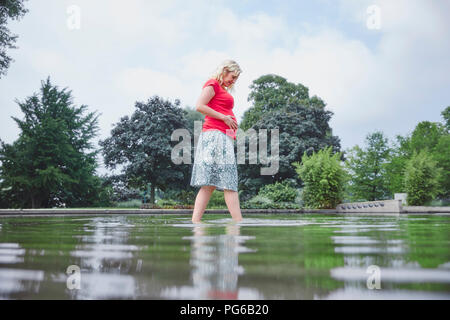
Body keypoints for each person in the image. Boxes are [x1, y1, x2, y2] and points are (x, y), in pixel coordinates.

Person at [190, 60, 243, 223]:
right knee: (229, 182)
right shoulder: (213, 84)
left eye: (236, 79)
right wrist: (224, 118)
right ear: (224, 70)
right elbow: (199, 105)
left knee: (209, 184)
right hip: (215, 136)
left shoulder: (221, 89)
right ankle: (238, 223)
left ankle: (196, 223)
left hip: (219, 136)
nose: (233, 81)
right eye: (232, 77)